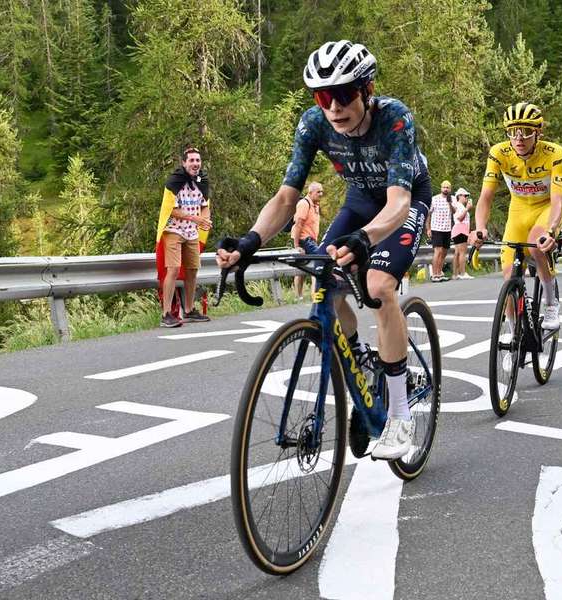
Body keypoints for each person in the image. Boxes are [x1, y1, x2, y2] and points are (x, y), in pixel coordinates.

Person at [216, 40, 432, 461]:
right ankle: (364, 361)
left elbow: (398, 204)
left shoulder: (395, 118)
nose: (333, 107)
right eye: (322, 96)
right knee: (328, 281)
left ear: (367, 91)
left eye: (344, 94)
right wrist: (249, 241)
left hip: (403, 198)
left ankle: (401, 414)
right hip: (359, 199)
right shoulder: (312, 124)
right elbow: (284, 199)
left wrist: (365, 239)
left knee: (378, 286)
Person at [472, 102, 562, 330]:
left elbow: (557, 199)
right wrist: (480, 227)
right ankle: (514, 331)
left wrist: (552, 230)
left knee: (536, 245)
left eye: (526, 131)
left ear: (538, 132)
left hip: (546, 208)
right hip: (518, 211)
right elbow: (485, 196)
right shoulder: (498, 153)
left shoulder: (554, 153)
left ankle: (551, 305)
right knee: (508, 275)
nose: (519, 138)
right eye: (513, 132)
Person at [156, 147, 212, 327]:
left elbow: (205, 204)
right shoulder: (174, 181)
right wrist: (194, 218)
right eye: (192, 161)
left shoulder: (202, 181)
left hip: (192, 232)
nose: (195, 164)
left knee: (192, 270)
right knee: (172, 269)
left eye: (198, 160)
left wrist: (204, 219)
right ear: (184, 163)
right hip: (174, 231)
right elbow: (170, 209)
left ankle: (188, 310)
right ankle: (166, 314)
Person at [291, 181, 323, 299]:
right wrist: (296, 245)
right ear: (310, 192)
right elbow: (298, 224)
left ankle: (298, 297)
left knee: (302, 268)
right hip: (304, 240)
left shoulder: (316, 205)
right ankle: (316, 296)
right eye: (318, 191)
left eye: (322, 191)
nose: (321, 194)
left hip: (310, 240)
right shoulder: (304, 204)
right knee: (320, 263)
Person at [427, 180, 455, 281]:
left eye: (447, 187)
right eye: (444, 187)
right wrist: (428, 228)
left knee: (444, 252)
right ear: (441, 188)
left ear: (450, 189)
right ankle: (434, 274)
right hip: (436, 228)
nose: (445, 189)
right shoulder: (434, 199)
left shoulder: (452, 199)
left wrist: (450, 203)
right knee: (438, 251)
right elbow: (428, 214)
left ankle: (439, 273)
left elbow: (454, 212)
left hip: (447, 229)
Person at [450, 188, 473, 279]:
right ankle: (463, 273)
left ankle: (455, 274)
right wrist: (467, 208)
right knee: (462, 252)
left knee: (457, 252)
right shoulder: (458, 206)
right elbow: (460, 218)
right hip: (461, 229)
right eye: (465, 196)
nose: (467, 198)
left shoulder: (459, 206)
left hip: (459, 229)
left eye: (467, 196)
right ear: (459, 196)